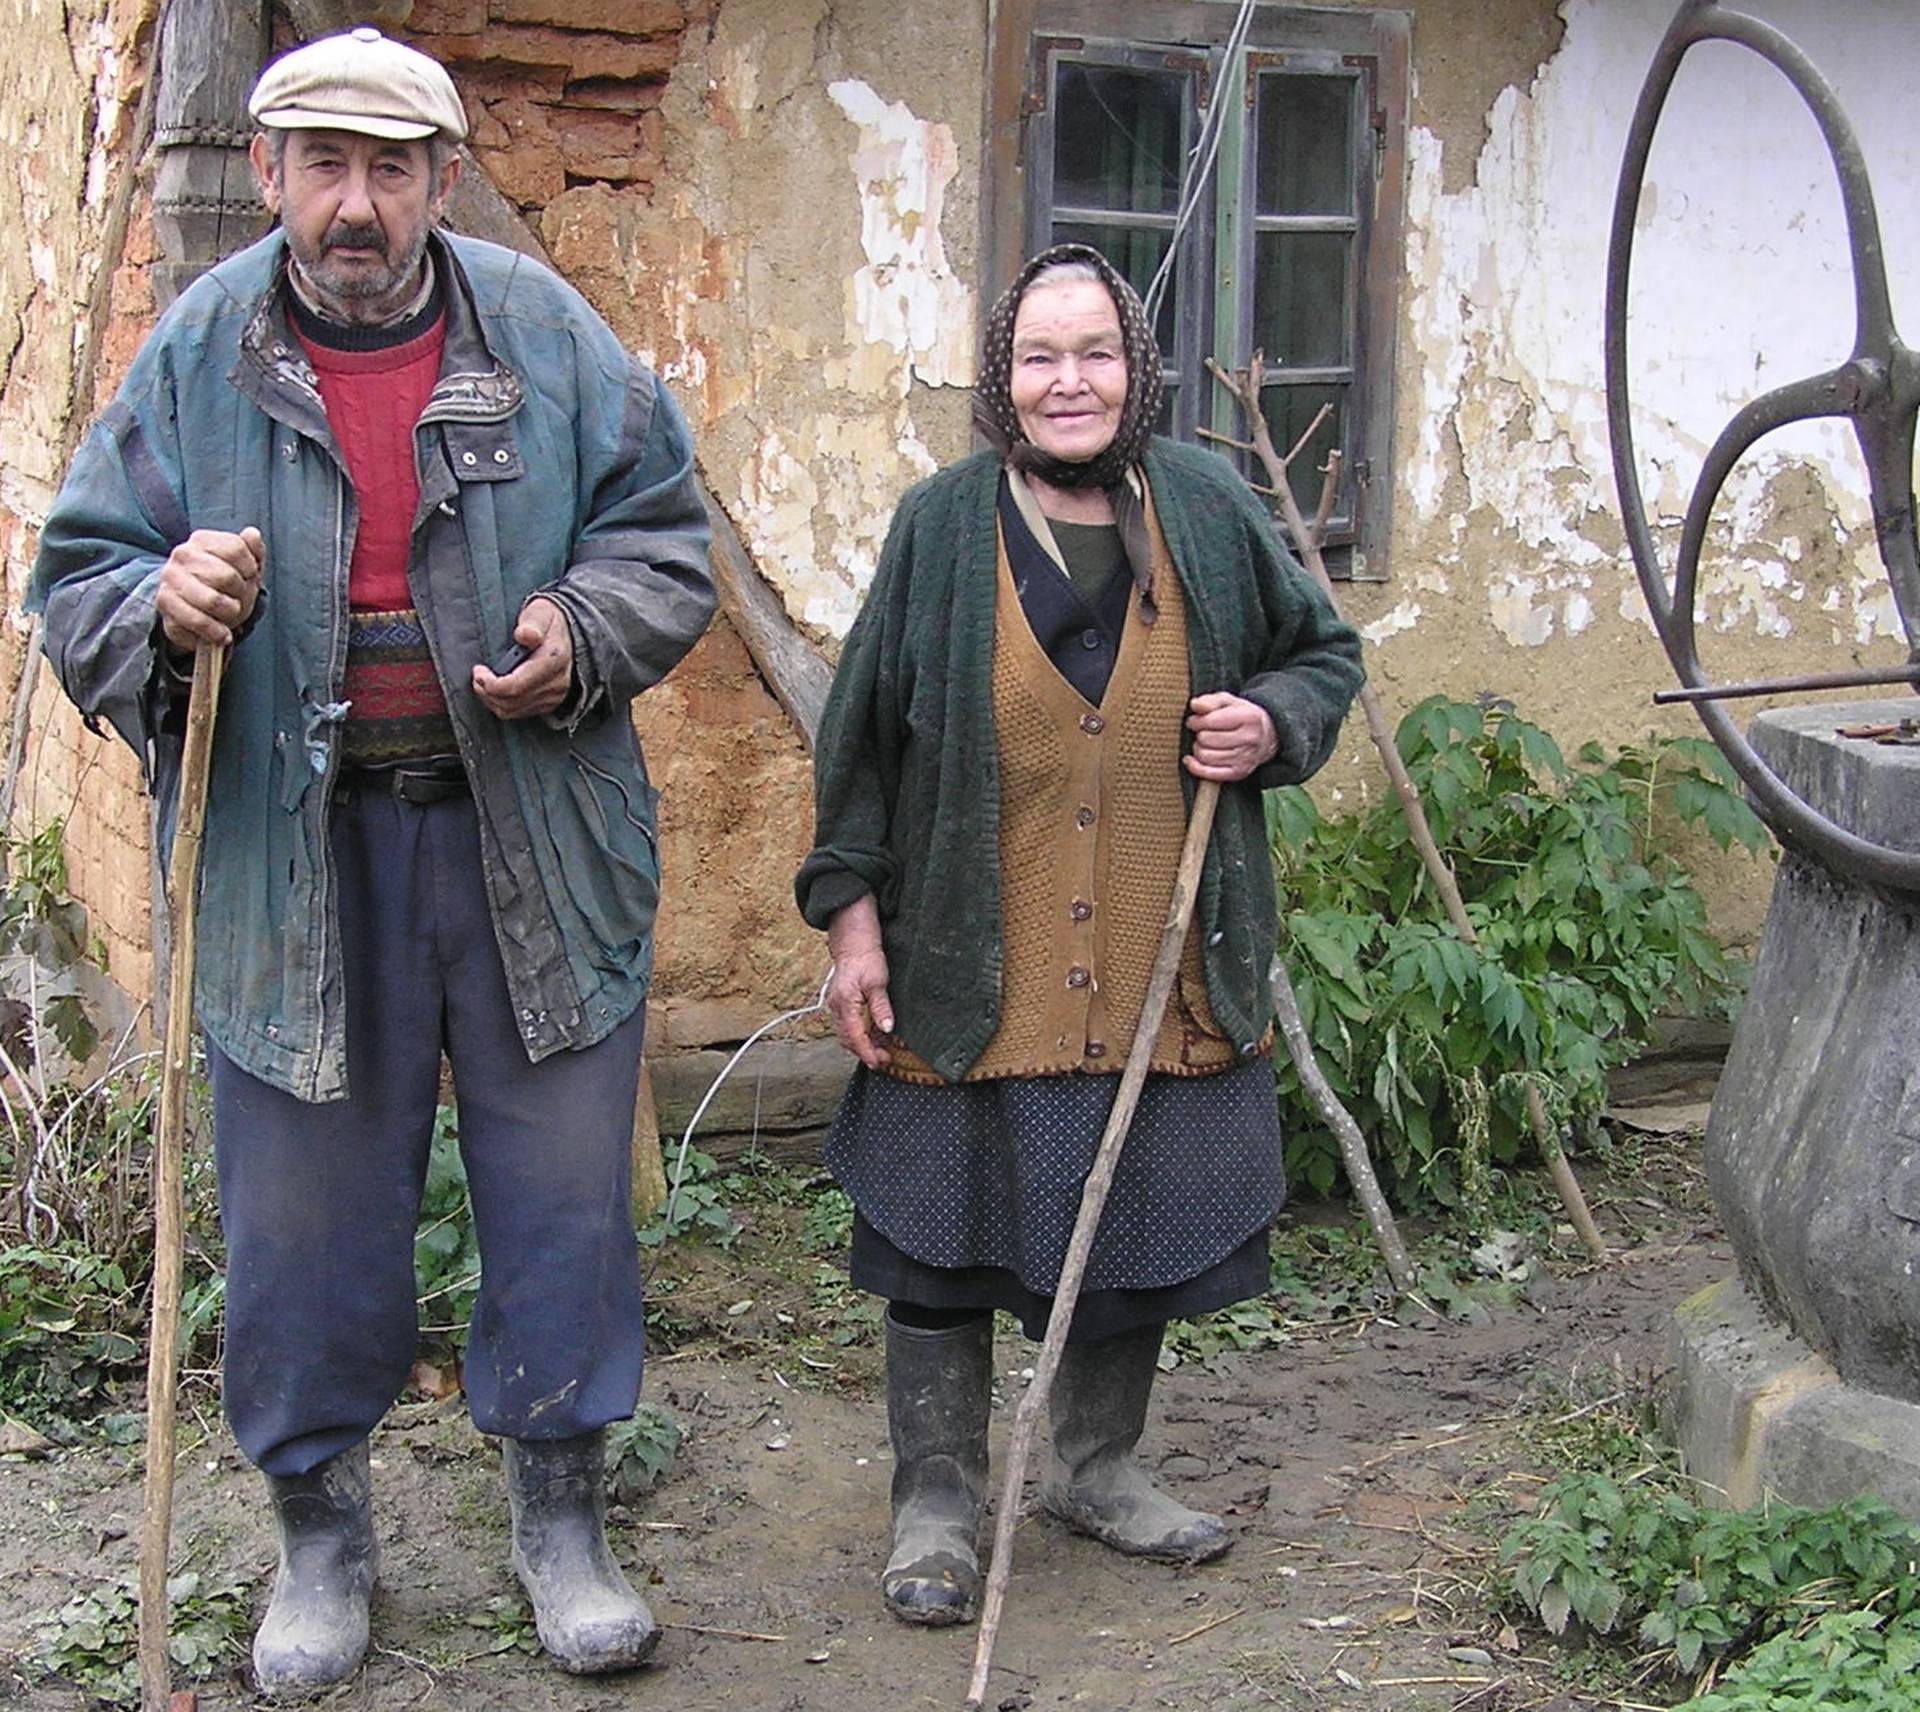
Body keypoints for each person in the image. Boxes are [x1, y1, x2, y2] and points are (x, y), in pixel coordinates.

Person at [29, 27, 714, 1692]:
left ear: (441, 180)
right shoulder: (197, 355)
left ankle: (561, 1517)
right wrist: (160, 610)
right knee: (306, 1215)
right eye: (321, 165)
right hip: (295, 849)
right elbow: (78, 575)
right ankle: (319, 1537)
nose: (355, 202)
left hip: (528, 835)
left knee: (560, 1200)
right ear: (266, 175)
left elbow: (662, 534)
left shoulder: (545, 334)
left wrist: (580, 625)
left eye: (389, 168)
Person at [796, 243, 1364, 1626]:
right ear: (1003, 379)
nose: (1070, 382)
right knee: (939, 1239)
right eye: (1040, 358)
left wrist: (1272, 721)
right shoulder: (939, 527)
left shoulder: (1210, 508)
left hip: (1155, 964)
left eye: (1096, 354)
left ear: (1137, 369)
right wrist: (853, 925)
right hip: (968, 962)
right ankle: (934, 1502)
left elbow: (1323, 654)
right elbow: (860, 741)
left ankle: (1098, 1470)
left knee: (1141, 1223)